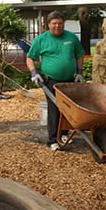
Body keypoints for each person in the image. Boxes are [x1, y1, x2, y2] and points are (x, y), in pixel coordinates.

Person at [25, 10, 85, 151]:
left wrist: (79, 72)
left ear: (63, 24)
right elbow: (30, 57)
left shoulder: (71, 37)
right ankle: (52, 140)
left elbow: (80, 55)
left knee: (68, 109)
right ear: (48, 25)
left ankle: (64, 133)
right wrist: (34, 73)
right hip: (51, 80)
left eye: (60, 23)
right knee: (54, 110)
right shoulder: (41, 39)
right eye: (54, 23)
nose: (57, 26)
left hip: (69, 80)